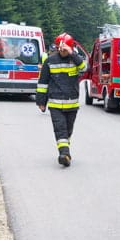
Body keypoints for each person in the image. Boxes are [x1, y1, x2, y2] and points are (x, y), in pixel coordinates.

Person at [36, 33, 87, 167]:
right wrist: (41, 102)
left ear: (70, 47)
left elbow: (85, 69)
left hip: (72, 104)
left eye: (64, 48)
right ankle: (64, 154)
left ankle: (65, 150)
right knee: (60, 129)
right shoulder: (50, 61)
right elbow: (43, 82)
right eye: (60, 47)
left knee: (68, 131)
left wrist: (73, 54)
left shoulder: (76, 60)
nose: (62, 50)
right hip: (55, 103)